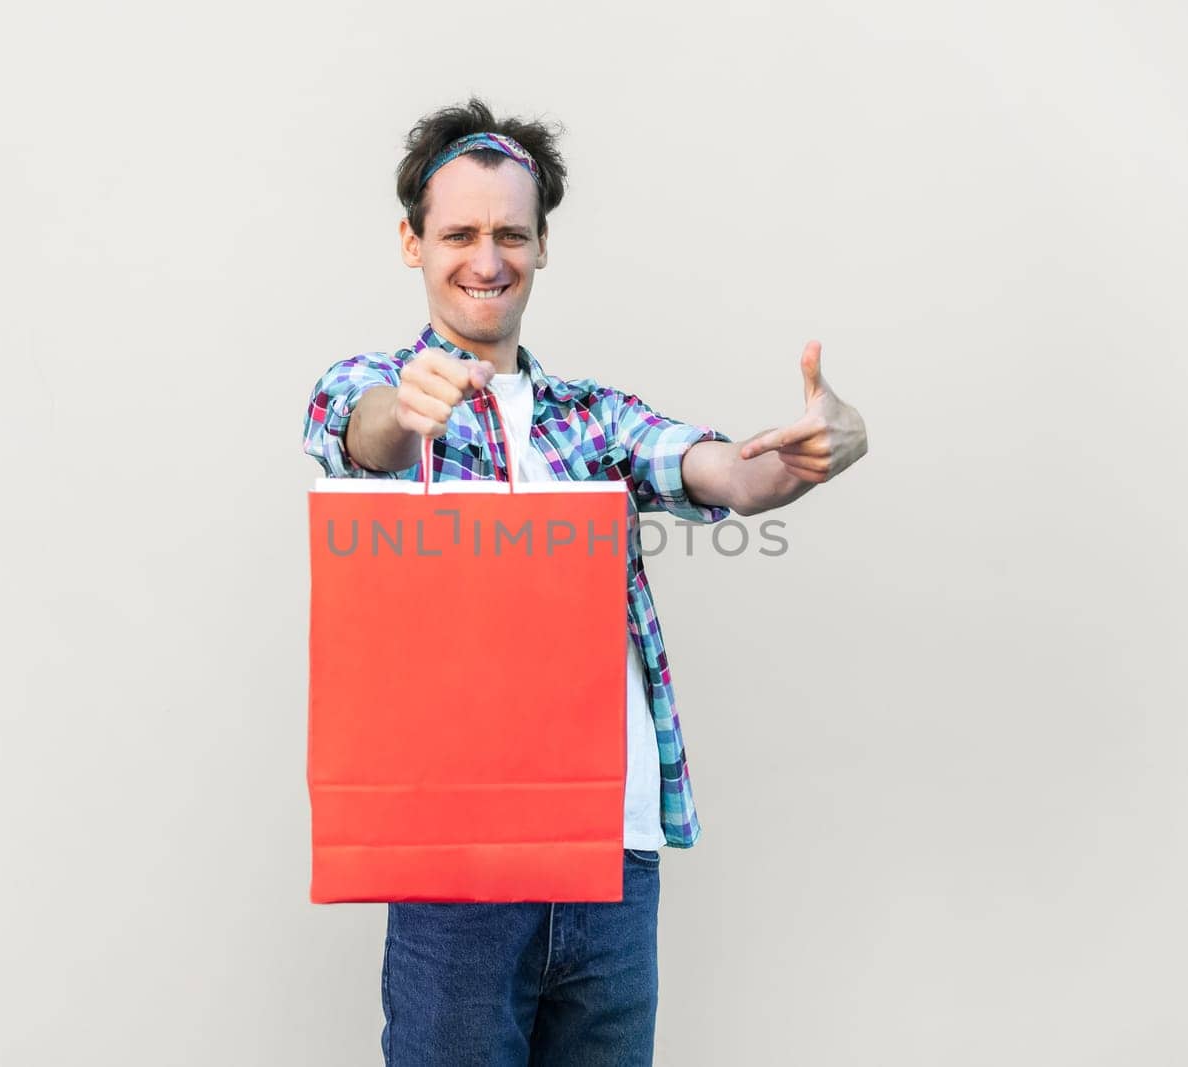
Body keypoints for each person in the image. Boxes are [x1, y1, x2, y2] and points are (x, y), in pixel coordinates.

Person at [301, 97, 868, 1066]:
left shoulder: (592, 417)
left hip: (612, 849)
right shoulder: (367, 385)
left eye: (511, 233)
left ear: (542, 245)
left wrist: (814, 450)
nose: (487, 257)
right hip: (458, 866)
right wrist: (409, 405)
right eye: (460, 233)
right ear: (411, 242)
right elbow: (362, 433)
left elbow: (724, 472)